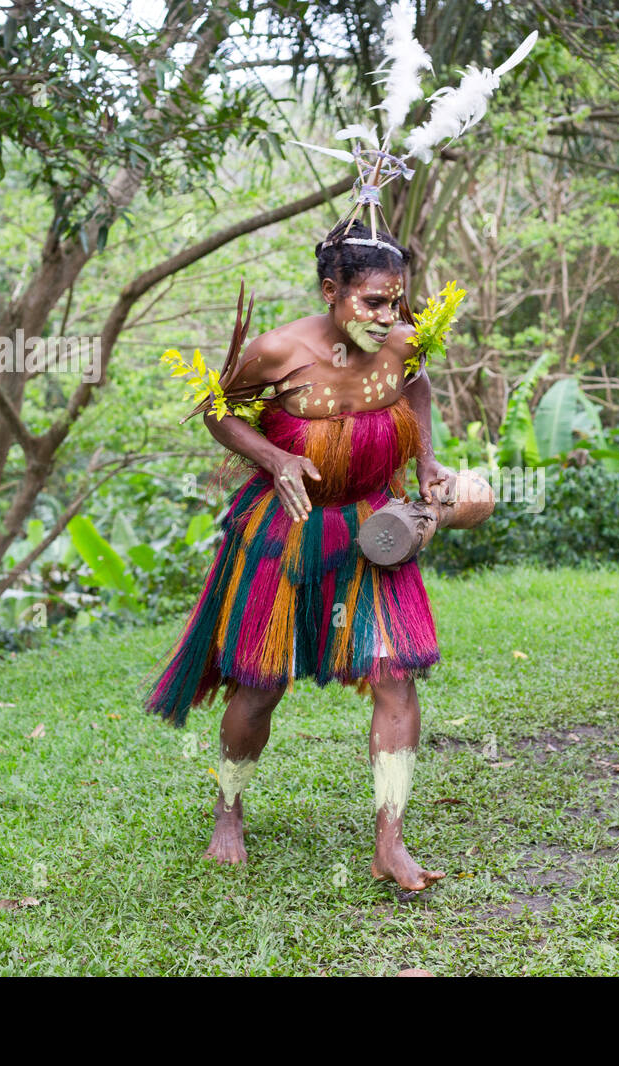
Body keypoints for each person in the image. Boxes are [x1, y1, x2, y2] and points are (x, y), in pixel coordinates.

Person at [145, 218, 453, 892]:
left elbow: (420, 387)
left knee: (395, 676)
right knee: (260, 686)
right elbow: (218, 409)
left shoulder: (402, 346)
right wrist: (274, 454)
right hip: (288, 528)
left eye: (396, 301)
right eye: (372, 301)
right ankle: (228, 810)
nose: (388, 315)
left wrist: (428, 459)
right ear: (330, 292)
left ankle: (389, 842)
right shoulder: (277, 353)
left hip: (377, 528)